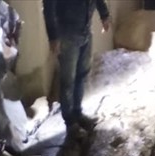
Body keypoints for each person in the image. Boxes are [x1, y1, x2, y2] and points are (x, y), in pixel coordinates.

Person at [43, 0, 110, 134]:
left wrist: (104, 15)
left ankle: (78, 113)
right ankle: (70, 122)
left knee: (82, 74)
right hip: (67, 33)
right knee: (68, 80)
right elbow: (48, 6)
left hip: (85, 29)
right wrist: (53, 37)